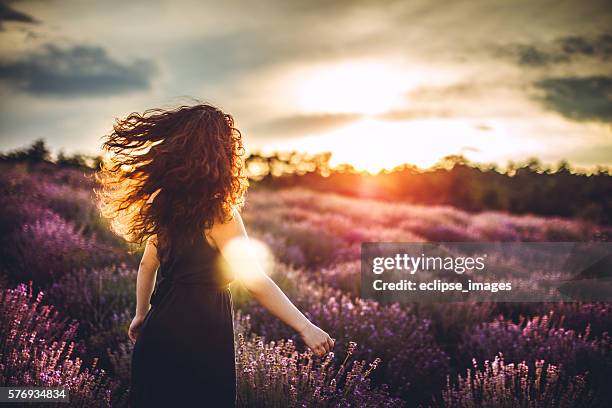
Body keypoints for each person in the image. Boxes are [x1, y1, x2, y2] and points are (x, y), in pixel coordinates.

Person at [95, 101, 334, 407]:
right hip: (200, 334)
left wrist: (141, 315)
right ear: (222, 154)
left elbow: (147, 264)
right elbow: (254, 279)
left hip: (158, 329)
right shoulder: (219, 213)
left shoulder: (162, 202)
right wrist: (305, 326)